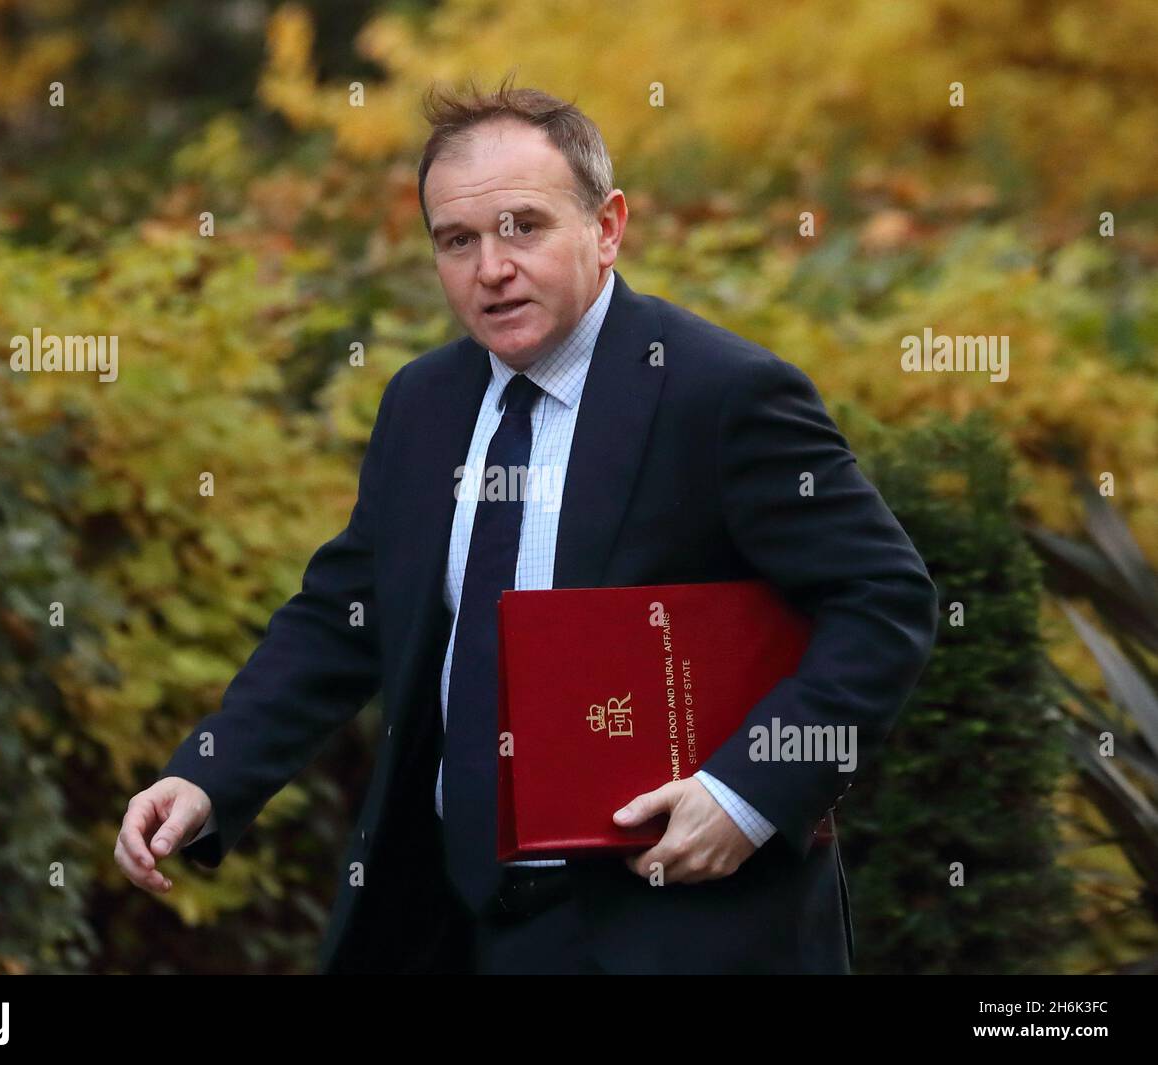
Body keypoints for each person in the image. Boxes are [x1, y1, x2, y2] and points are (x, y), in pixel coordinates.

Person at [113, 76, 939, 974]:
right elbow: (343, 614)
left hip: (675, 930)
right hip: (451, 927)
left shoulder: (722, 394)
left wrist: (745, 794)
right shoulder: (424, 403)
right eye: (456, 241)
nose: (491, 268)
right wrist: (205, 771)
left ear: (609, 226)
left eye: (524, 226)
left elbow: (884, 602)